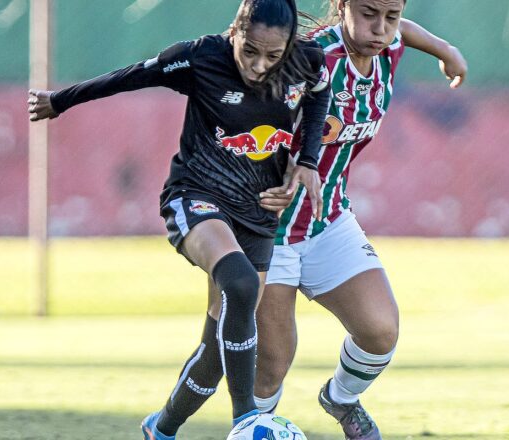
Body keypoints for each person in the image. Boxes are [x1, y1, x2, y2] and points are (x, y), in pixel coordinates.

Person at [28, 0, 331, 438]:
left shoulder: (308, 61)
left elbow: (320, 95)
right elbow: (130, 75)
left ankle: (161, 428)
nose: (259, 66)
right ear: (235, 32)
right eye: (250, 51)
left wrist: (308, 161)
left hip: (259, 212)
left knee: (215, 351)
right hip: (196, 197)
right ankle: (247, 418)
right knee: (241, 284)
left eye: (273, 55)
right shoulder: (199, 58)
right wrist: (60, 100)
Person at [248, 0, 468, 438]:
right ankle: (252, 427)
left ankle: (341, 399)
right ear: (341, 6)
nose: (381, 28)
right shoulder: (309, 59)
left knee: (380, 330)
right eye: (369, 14)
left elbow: (405, 29)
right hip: (268, 229)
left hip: (328, 219)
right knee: (273, 360)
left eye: (391, 16)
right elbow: (245, 116)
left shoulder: (388, 47)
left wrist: (446, 50)